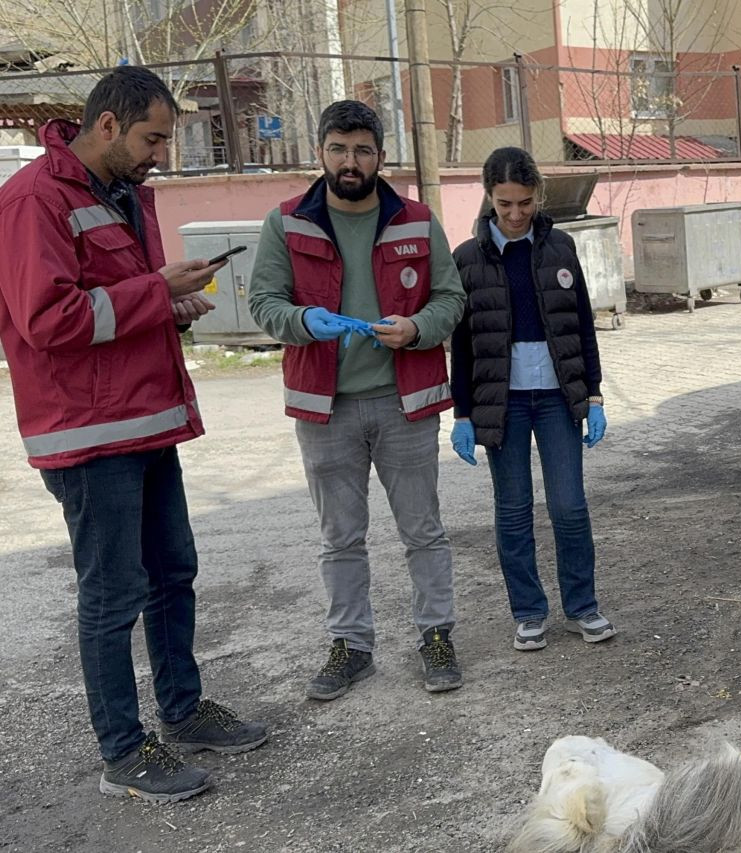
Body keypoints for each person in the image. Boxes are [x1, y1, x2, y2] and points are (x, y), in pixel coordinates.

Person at [0, 66, 268, 804]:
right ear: (109, 125)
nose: (161, 153)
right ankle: (123, 751)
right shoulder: (32, 201)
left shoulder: (120, 193)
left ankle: (182, 709)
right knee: (113, 595)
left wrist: (168, 308)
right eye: (153, 137)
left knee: (172, 572)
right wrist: (158, 291)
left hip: (144, 422)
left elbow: (112, 302)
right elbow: (47, 320)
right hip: (88, 436)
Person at [248, 100, 466, 699]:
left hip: (404, 401)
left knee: (423, 530)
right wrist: (302, 321)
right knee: (340, 537)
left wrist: (418, 328)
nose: (351, 161)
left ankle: (436, 636)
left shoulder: (418, 221)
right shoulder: (286, 222)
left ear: (380, 156)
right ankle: (351, 645)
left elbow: (451, 298)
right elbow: (263, 302)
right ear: (320, 152)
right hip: (326, 407)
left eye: (363, 150)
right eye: (339, 149)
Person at [449, 146, 614, 652]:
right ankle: (528, 612)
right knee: (514, 509)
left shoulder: (560, 248)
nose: (516, 214)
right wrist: (462, 413)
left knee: (569, 506)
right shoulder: (467, 258)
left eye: (524, 202)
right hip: (503, 402)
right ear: (489, 199)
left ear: (538, 195)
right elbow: (461, 344)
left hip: (559, 397)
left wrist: (595, 393)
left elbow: (582, 323)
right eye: (504, 205)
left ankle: (582, 606)